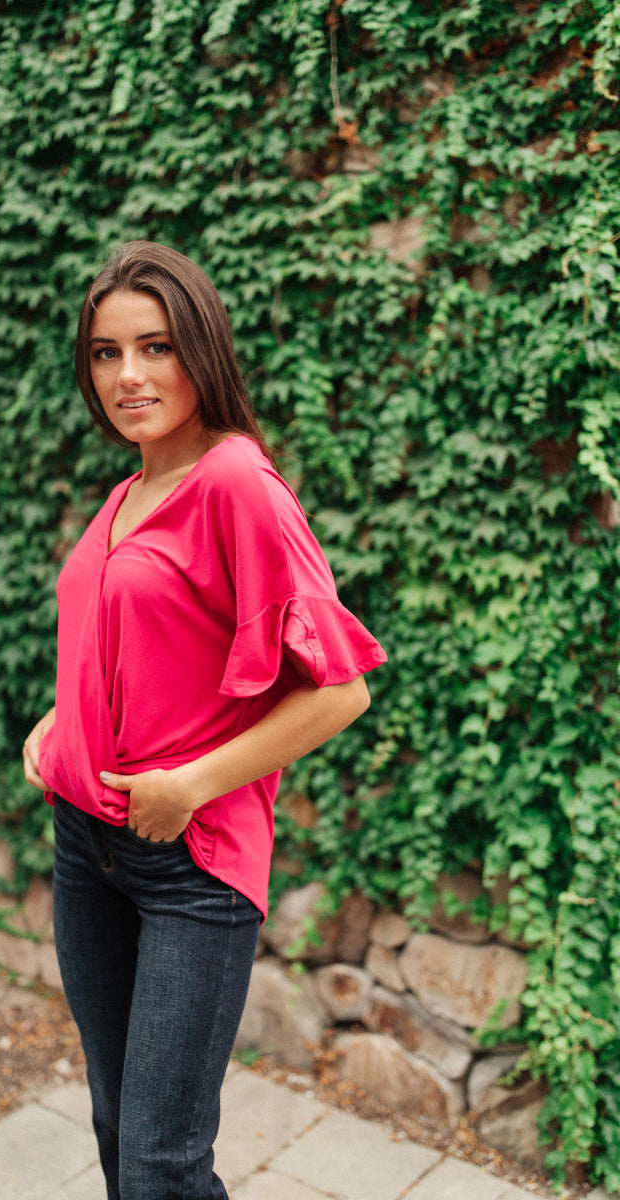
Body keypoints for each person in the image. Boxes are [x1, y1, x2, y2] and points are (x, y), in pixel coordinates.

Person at [22, 240, 386, 1200]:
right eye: (106, 352)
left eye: (155, 346)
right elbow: (135, 644)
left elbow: (341, 688)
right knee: (114, 1120)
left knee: (161, 1164)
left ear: (201, 351)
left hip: (193, 865)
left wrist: (189, 784)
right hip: (84, 846)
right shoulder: (128, 494)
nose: (128, 375)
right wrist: (60, 724)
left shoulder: (236, 483)